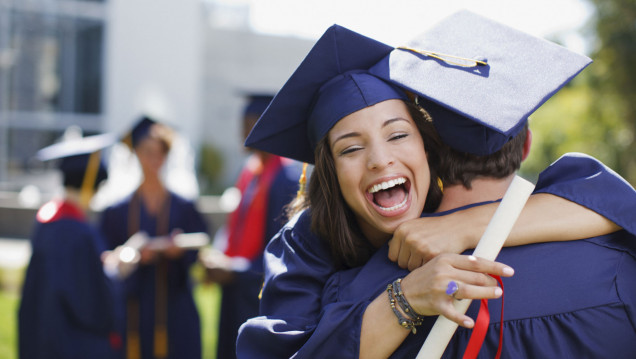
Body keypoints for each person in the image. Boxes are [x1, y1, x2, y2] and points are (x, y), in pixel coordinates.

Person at [236, 20, 630, 358]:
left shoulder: (424, 233)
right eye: (351, 149)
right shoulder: (310, 247)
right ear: (329, 170)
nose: (378, 160)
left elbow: (609, 203)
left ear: (428, 149)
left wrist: (461, 226)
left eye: (398, 135)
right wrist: (404, 300)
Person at [199, 94, 301, 359]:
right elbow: (235, 228)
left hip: (259, 297)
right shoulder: (250, 172)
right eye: (243, 122)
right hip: (236, 291)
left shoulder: (286, 179)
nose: (242, 131)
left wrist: (234, 270)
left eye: (251, 122)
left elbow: (283, 252)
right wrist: (219, 257)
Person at [99, 116, 208, 359]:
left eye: (160, 153)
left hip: (174, 305)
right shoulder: (117, 210)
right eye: (147, 152)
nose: (154, 159)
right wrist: (129, 257)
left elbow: (200, 243)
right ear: (136, 153)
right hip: (133, 306)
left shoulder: (183, 206)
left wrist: (180, 251)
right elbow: (105, 256)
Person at [18, 133, 122, 359]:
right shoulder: (79, 232)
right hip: (72, 341)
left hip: (42, 333)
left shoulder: (46, 221)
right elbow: (92, 299)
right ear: (89, 185)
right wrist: (115, 272)